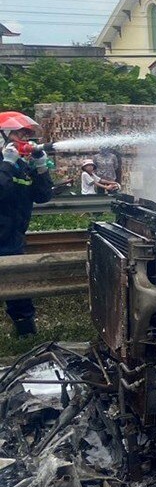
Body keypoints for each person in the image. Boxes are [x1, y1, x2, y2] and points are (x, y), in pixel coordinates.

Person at [0, 112, 54, 337]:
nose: (25, 140)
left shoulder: (21, 166)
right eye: (20, 134)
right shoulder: (8, 165)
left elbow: (42, 196)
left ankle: (26, 335)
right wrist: (7, 164)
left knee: (19, 288)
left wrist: (41, 168)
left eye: (28, 135)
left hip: (11, 238)